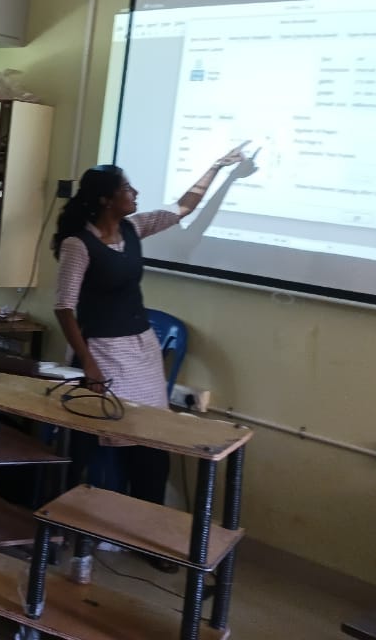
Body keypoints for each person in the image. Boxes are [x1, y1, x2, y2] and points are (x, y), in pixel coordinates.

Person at [51, 146, 248, 568]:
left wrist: (217, 166)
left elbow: (183, 207)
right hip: (103, 350)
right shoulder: (78, 245)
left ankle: (147, 537)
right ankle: (61, 522)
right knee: (94, 439)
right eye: (127, 188)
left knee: (152, 443)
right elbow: (64, 307)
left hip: (140, 349)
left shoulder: (133, 228)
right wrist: (88, 363)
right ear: (106, 198)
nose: (135, 193)